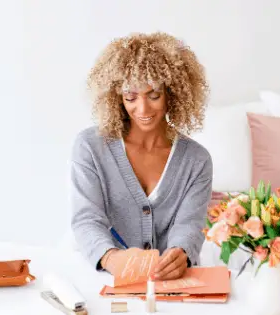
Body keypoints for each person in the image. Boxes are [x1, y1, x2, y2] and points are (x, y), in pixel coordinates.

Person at [70, 32, 213, 281]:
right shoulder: (90, 147)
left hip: (174, 283)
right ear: (117, 97)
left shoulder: (197, 160)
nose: (143, 109)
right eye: (130, 97)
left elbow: (190, 225)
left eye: (154, 95)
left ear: (172, 93)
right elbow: (86, 218)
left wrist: (181, 253)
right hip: (106, 276)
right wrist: (111, 258)